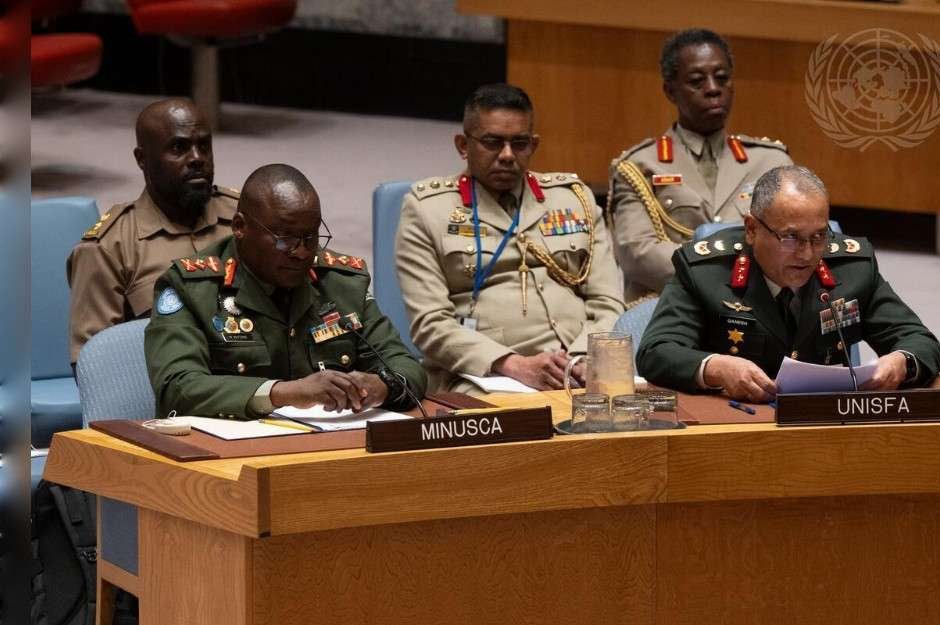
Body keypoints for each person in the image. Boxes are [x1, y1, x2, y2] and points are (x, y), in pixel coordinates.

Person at [636, 165, 940, 402]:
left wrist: (902, 361)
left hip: (826, 425)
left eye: (819, 236)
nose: (807, 254)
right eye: (790, 237)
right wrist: (715, 367)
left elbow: (920, 341)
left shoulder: (853, 268)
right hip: (735, 424)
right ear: (752, 229)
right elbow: (656, 352)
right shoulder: (705, 271)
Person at [145, 164, 426, 419]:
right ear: (240, 227)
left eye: (311, 237)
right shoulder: (192, 287)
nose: (301, 252)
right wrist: (286, 393)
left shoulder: (340, 282)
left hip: (328, 449)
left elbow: (405, 364)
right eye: (285, 239)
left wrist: (381, 385)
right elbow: (177, 387)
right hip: (229, 457)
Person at [395, 83, 624, 394]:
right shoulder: (427, 209)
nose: (506, 155)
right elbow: (430, 323)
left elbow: (608, 301)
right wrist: (514, 365)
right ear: (463, 145)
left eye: (519, 143)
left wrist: (580, 357)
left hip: (581, 365)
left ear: (534, 145)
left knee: (636, 419)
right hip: (485, 374)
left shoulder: (573, 199)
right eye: (492, 143)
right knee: (517, 430)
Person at [607, 28, 793, 302]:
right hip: (673, 303)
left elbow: (794, 239)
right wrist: (724, 276)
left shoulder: (772, 162)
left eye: (722, 78)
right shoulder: (640, 166)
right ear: (670, 91)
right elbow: (637, 253)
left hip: (759, 305)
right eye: (697, 81)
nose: (713, 89)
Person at [67, 98, 238, 366]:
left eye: (204, 146)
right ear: (142, 159)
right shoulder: (108, 247)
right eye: (179, 148)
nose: (197, 159)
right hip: (165, 396)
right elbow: (95, 367)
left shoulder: (246, 218)